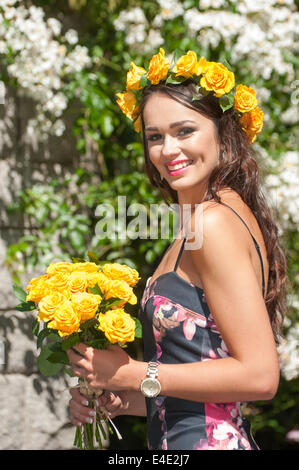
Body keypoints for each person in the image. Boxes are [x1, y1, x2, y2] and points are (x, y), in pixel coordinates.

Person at [67, 49, 288, 450]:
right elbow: (199, 388)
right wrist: (119, 399)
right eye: (155, 136)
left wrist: (134, 372)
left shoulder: (213, 222)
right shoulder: (198, 222)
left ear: (224, 135)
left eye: (184, 131)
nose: (168, 149)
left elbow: (259, 376)